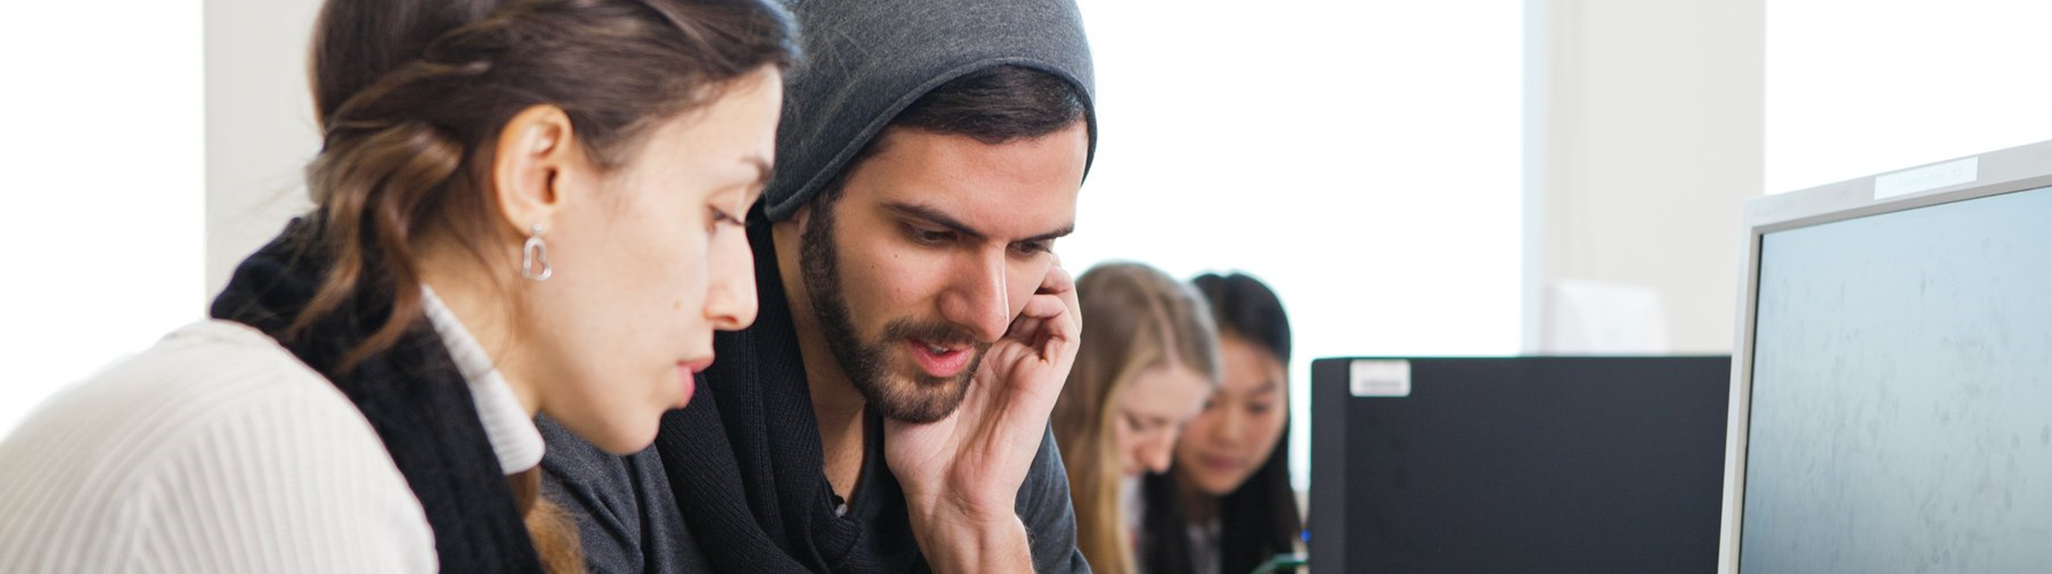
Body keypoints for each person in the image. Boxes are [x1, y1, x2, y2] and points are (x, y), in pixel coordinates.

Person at [0, 0, 796, 571]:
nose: (741, 300)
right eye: (720, 213)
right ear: (539, 176)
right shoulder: (270, 457)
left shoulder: (360, 441)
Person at [534, 0, 1099, 571]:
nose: (989, 315)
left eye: (1031, 247)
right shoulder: (601, 412)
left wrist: (975, 527)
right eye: (932, 235)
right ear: (806, 184)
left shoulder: (989, 426)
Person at [1050, 262, 1222, 574]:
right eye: (1140, 424)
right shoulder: (1024, 509)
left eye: (1181, 426)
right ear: (1069, 393)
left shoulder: (1146, 502)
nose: (1159, 460)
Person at [1139, 273, 1301, 574]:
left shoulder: (1292, 530)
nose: (1229, 434)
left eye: (1258, 406)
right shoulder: (1120, 515)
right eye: (1207, 403)